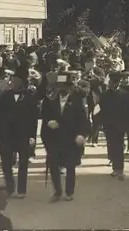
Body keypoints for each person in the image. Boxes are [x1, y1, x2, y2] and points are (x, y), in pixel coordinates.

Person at [40, 71, 90, 202]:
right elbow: (44, 118)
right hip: (54, 139)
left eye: (67, 86)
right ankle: (57, 191)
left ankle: (69, 192)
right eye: (61, 86)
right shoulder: (50, 100)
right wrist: (48, 123)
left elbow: (84, 121)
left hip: (70, 140)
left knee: (70, 166)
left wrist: (82, 135)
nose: (63, 89)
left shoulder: (77, 101)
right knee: (54, 166)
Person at [0, 66, 39, 198]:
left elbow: (34, 119)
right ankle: (10, 186)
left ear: (22, 82)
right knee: (6, 164)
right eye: (13, 79)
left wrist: (32, 136)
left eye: (17, 80)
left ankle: (21, 190)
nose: (13, 82)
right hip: (6, 135)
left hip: (23, 134)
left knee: (23, 163)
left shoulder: (29, 97)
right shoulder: (4, 97)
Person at [99, 71, 129, 180]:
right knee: (111, 146)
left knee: (119, 147)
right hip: (108, 124)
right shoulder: (104, 95)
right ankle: (114, 168)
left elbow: (128, 112)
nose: (114, 84)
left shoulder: (124, 94)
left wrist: (127, 125)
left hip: (120, 125)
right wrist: (100, 123)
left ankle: (120, 169)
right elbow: (101, 110)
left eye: (116, 82)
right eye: (112, 82)